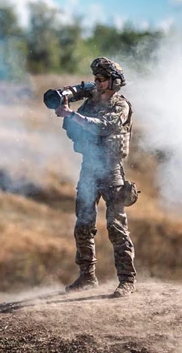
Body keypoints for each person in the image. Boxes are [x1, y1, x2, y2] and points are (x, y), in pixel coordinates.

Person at [54, 57, 138, 298]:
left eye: (101, 79)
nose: (96, 83)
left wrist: (74, 116)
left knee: (116, 226)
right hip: (89, 168)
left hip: (111, 170)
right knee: (83, 224)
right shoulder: (89, 104)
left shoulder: (121, 106)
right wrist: (67, 117)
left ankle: (127, 280)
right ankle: (87, 277)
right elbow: (74, 131)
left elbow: (103, 126)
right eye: (96, 79)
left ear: (114, 82)